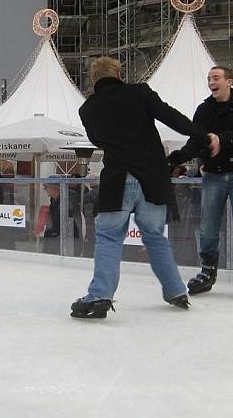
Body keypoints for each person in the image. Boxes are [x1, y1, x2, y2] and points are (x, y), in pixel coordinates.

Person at [70, 56, 215, 319]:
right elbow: (172, 118)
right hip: (152, 178)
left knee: (109, 237)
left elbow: (97, 139)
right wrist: (203, 136)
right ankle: (175, 291)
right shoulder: (140, 92)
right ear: (120, 73)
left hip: (119, 178)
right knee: (155, 237)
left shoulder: (88, 109)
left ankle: (100, 295)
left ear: (93, 80)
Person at [164, 66, 233, 295]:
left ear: (229, 82)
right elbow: (196, 140)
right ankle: (207, 270)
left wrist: (221, 139)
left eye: (216, 78)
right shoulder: (204, 109)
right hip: (213, 174)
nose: (211, 82)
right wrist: (179, 157)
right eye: (209, 79)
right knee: (208, 226)